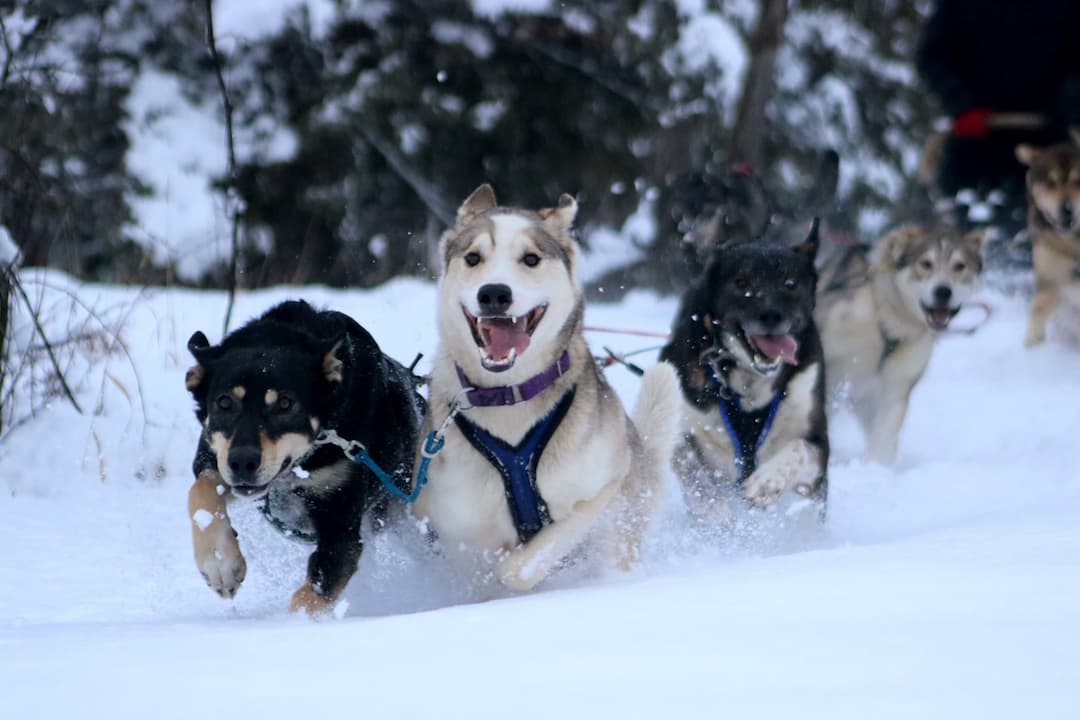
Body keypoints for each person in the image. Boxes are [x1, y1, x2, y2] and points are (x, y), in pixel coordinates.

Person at [916, 0, 1080, 235]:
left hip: (1050, 139)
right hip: (976, 137)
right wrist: (961, 105)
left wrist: (1065, 105)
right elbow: (932, 55)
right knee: (960, 228)